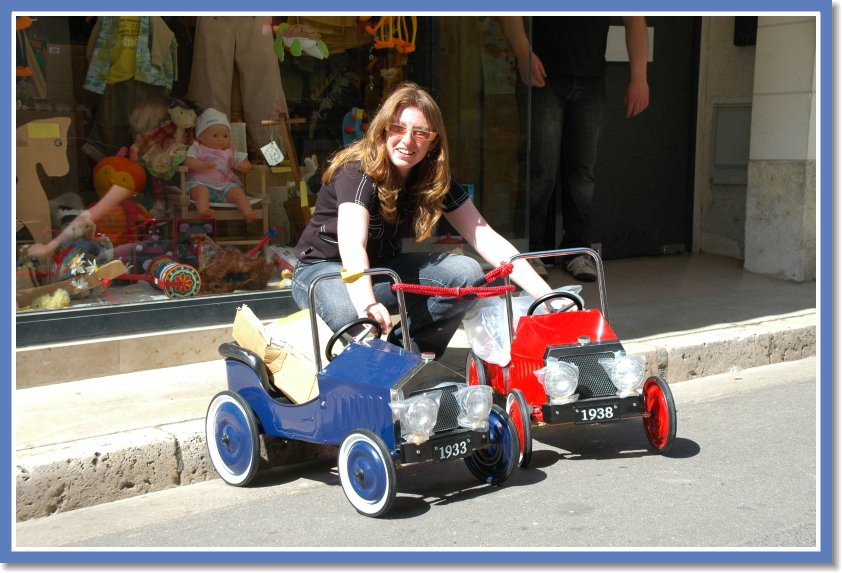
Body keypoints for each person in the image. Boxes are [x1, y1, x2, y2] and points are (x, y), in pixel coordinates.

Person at [291, 82, 558, 358]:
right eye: (398, 128)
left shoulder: (432, 177)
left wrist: (547, 296)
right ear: (383, 129)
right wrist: (367, 304)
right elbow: (352, 244)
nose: (408, 140)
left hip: (384, 268)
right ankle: (380, 360)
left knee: (467, 274)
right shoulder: (357, 170)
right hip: (323, 269)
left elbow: (486, 237)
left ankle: (405, 357)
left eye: (421, 132)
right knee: (355, 317)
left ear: (434, 141)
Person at [500, 16, 650, 281]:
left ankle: (577, 252)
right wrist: (523, 52)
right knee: (539, 170)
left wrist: (639, 77)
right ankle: (531, 253)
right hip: (541, 74)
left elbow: (635, 19)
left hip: (591, 79)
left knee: (582, 173)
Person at [184, 108, 254, 221]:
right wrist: (202, 165)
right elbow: (188, 161)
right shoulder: (198, 148)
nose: (221, 139)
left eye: (225, 136)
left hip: (224, 186)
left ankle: (248, 212)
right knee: (201, 193)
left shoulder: (229, 151)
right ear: (200, 136)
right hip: (200, 183)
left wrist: (244, 165)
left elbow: (240, 160)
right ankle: (203, 211)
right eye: (215, 135)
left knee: (238, 193)